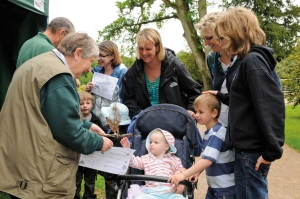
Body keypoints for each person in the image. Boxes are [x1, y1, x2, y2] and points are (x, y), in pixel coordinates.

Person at [0, 33, 113, 199]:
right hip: (38, 174)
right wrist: (99, 142)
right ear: (78, 53)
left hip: (19, 165)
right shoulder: (59, 76)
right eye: (90, 61)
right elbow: (69, 132)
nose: (90, 69)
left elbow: (46, 112)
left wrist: (87, 125)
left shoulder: (35, 64)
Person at [213, 7, 285, 199]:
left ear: (234, 33)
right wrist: (221, 96)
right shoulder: (248, 61)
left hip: (251, 155)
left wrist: (272, 151)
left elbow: (271, 107)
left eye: (222, 38)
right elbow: (246, 101)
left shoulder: (252, 62)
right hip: (246, 153)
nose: (221, 44)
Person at [121, 28, 202, 119]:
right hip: (148, 123)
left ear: (158, 47)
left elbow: (195, 91)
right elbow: (128, 99)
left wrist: (190, 109)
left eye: (148, 49)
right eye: (140, 48)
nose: (144, 53)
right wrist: (141, 115)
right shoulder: (134, 71)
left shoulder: (174, 65)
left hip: (176, 122)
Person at [168, 94, 235, 199]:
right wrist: (197, 172)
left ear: (214, 113)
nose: (197, 115)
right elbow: (210, 157)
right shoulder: (208, 133)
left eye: (201, 112)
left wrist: (183, 175)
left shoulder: (217, 133)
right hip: (215, 187)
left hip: (224, 189)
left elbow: (208, 160)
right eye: (196, 111)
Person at [120, 128, 186, 199]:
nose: (151, 144)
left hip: (170, 192)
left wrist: (181, 184)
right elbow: (135, 163)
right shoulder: (146, 158)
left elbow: (181, 172)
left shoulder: (174, 160)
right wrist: (127, 150)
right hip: (150, 193)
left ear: (166, 146)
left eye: (156, 142)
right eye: (150, 142)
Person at [85, 40, 128, 131]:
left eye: (101, 55)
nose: (98, 58)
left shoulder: (122, 73)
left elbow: (123, 99)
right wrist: (88, 91)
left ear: (112, 56)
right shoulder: (97, 71)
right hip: (96, 120)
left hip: (112, 124)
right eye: (97, 55)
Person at [98, 102, 132, 199]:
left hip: (114, 179)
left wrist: (108, 177)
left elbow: (113, 160)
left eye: (107, 119)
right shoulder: (125, 135)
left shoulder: (118, 140)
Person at [75, 91, 104, 199]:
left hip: (92, 156)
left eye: (87, 103)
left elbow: (101, 135)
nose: (85, 106)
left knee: (90, 178)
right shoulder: (75, 120)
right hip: (78, 155)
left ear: (92, 104)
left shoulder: (96, 120)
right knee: (76, 178)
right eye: (81, 103)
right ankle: (75, 195)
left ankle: (89, 196)